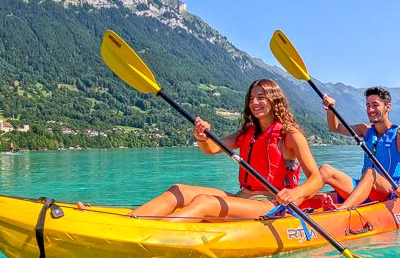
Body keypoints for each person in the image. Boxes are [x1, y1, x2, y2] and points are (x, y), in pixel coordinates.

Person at [130, 78, 323, 222]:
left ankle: (155, 234)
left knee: (205, 201)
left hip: (272, 204)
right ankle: (130, 223)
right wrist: (201, 137)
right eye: (251, 98)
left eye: (261, 98)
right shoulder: (249, 132)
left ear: (274, 101)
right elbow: (212, 148)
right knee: (179, 190)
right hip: (244, 197)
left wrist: (295, 193)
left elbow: (316, 178)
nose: (254, 103)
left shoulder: (290, 134)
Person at [319, 86, 400, 210]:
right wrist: (330, 110)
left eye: (375, 105)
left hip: (387, 190)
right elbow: (335, 128)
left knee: (370, 173)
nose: (370, 109)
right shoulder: (365, 130)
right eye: (367, 105)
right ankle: (293, 202)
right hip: (363, 186)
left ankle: (340, 211)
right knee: (325, 170)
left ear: (388, 107)